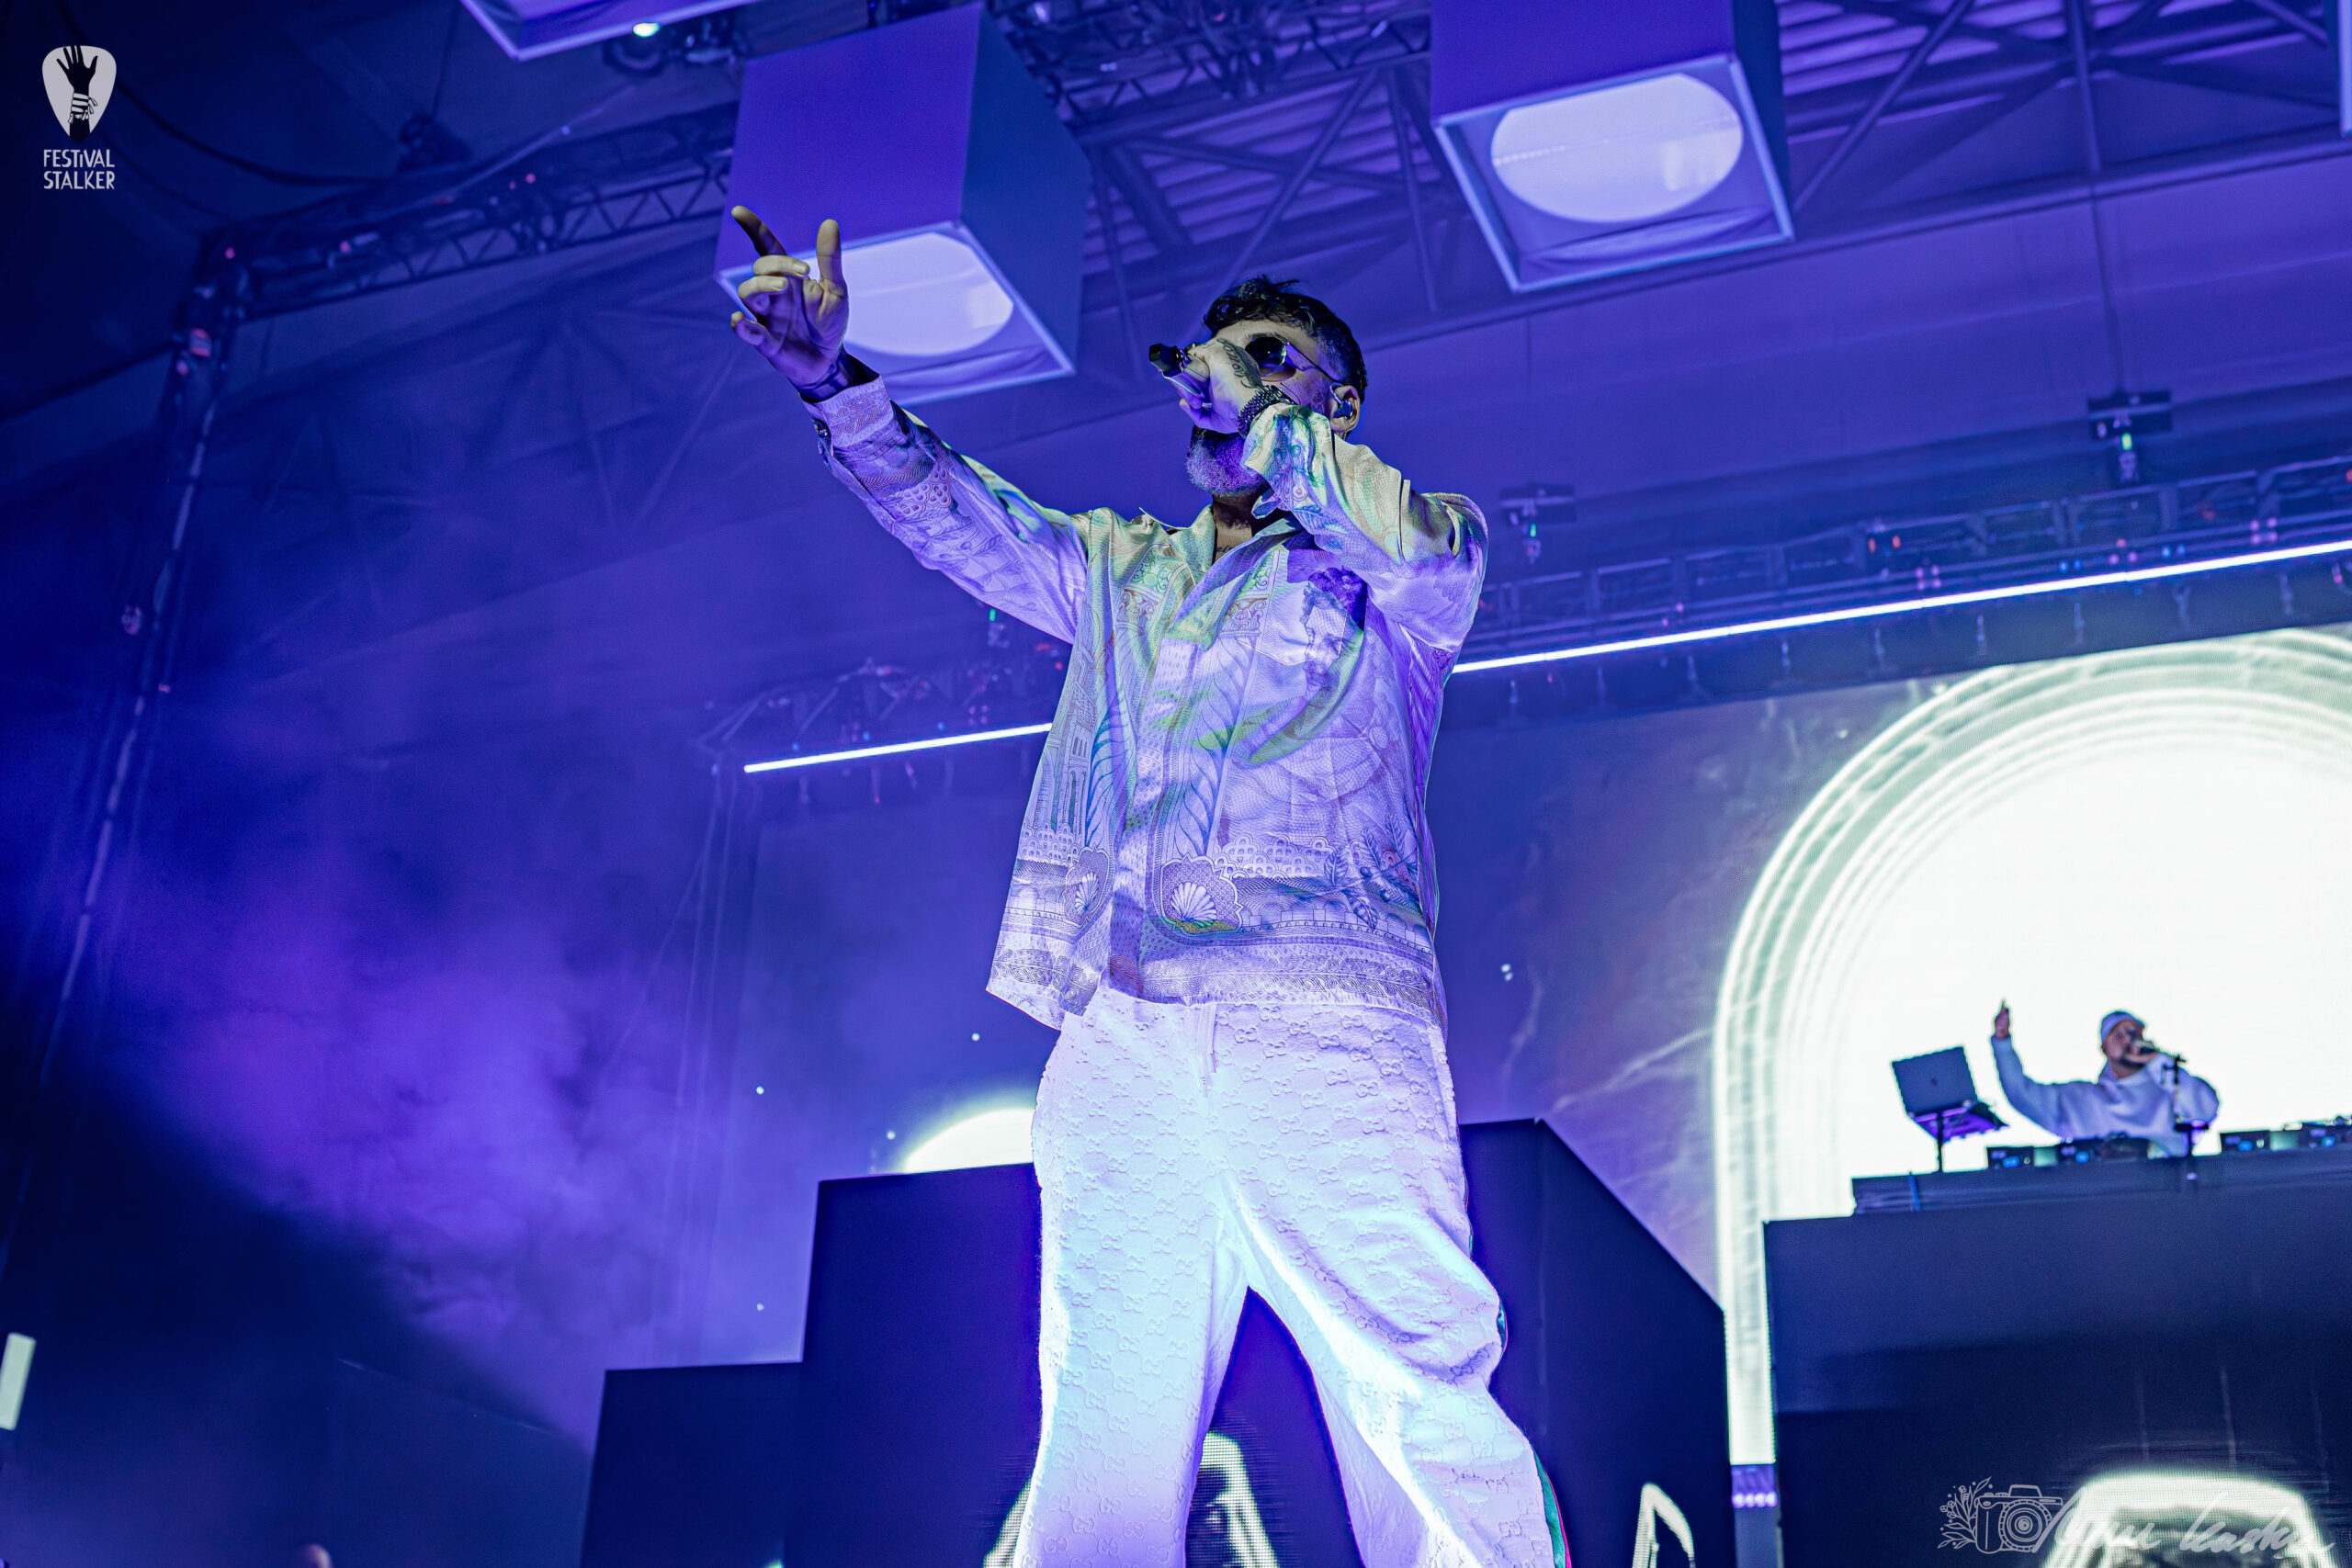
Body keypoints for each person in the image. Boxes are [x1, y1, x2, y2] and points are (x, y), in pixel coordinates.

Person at [726, 207, 1564, 1568]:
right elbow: (963, 521)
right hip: (1121, 1023)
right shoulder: (1125, 567)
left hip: (1327, 1017)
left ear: (1339, 404)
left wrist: (1270, 417)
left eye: (1272, 356)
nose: (1223, 374)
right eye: (1212, 357)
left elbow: (1407, 542)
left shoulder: (1410, 559)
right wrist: (833, 383)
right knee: (1103, 1412)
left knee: (1414, 1384)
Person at [1988, 1003, 2219, 1156]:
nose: (2127, 1039)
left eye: (2133, 1032)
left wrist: (2159, 1062)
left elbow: (2207, 1109)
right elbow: (2022, 1094)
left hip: (2167, 1198)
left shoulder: (2168, 1090)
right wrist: (2002, 1042)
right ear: (2104, 1047)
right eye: (2118, 1034)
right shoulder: (2083, 1099)